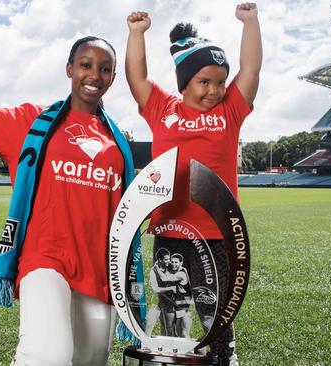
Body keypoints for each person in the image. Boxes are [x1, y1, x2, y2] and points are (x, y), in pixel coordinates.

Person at [0, 4, 137, 365]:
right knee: (48, 355)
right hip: (45, 259)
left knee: (92, 360)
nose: (95, 74)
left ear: (112, 77)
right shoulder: (30, 122)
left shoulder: (117, 141)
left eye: (105, 68)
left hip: (99, 268)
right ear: (69, 69)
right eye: (86, 65)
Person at [125, 3, 261, 365]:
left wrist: (250, 22)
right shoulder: (162, 108)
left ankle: (224, 358)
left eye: (219, 81)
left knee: (214, 308)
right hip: (170, 231)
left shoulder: (229, 111)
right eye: (204, 82)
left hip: (216, 232)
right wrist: (136, 34)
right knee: (173, 310)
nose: (214, 90)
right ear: (185, 83)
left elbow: (250, 69)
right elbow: (137, 79)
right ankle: (176, 359)